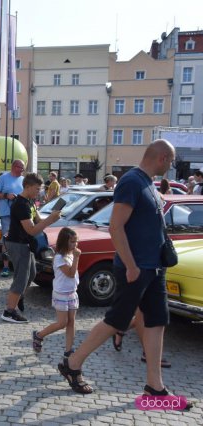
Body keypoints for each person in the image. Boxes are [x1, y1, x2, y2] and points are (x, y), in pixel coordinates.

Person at [59, 140, 191, 404]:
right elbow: (115, 227)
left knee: (156, 322)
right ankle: (72, 364)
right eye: (172, 160)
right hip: (136, 268)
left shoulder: (147, 183)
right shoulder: (131, 181)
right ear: (163, 158)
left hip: (154, 268)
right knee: (116, 320)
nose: (173, 166)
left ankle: (155, 387)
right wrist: (131, 266)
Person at [0, 173, 61, 324]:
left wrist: (53, 217)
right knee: (21, 278)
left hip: (26, 244)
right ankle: (9, 311)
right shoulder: (20, 204)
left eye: (40, 188)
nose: (39, 191)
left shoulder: (30, 201)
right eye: (36, 188)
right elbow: (32, 230)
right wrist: (50, 220)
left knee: (32, 273)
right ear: (27, 187)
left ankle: (18, 297)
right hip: (18, 244)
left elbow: (38, 220)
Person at [32, 227, 80, 358]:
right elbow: (70, 274)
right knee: (62, 323)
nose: (75, 244)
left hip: (72, 293)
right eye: (72, 242)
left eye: (76, 241)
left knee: (71, 322)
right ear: (64, 242)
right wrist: (76, 258)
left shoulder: (71, 255)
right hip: (61, 294)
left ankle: (68, 350)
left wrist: (74, 257)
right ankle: (39, 335)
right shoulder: (59, 258)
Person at [0, 160, 25, 277]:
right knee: (6, 240)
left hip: (20, 215)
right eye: (21, 168)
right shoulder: (3, 178)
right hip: (6, 214)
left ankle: (18, 265)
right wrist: (6, 196)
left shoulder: (23, 179)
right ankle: (5, 267)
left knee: (20, 240)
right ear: (14, 167)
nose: (23, 170)